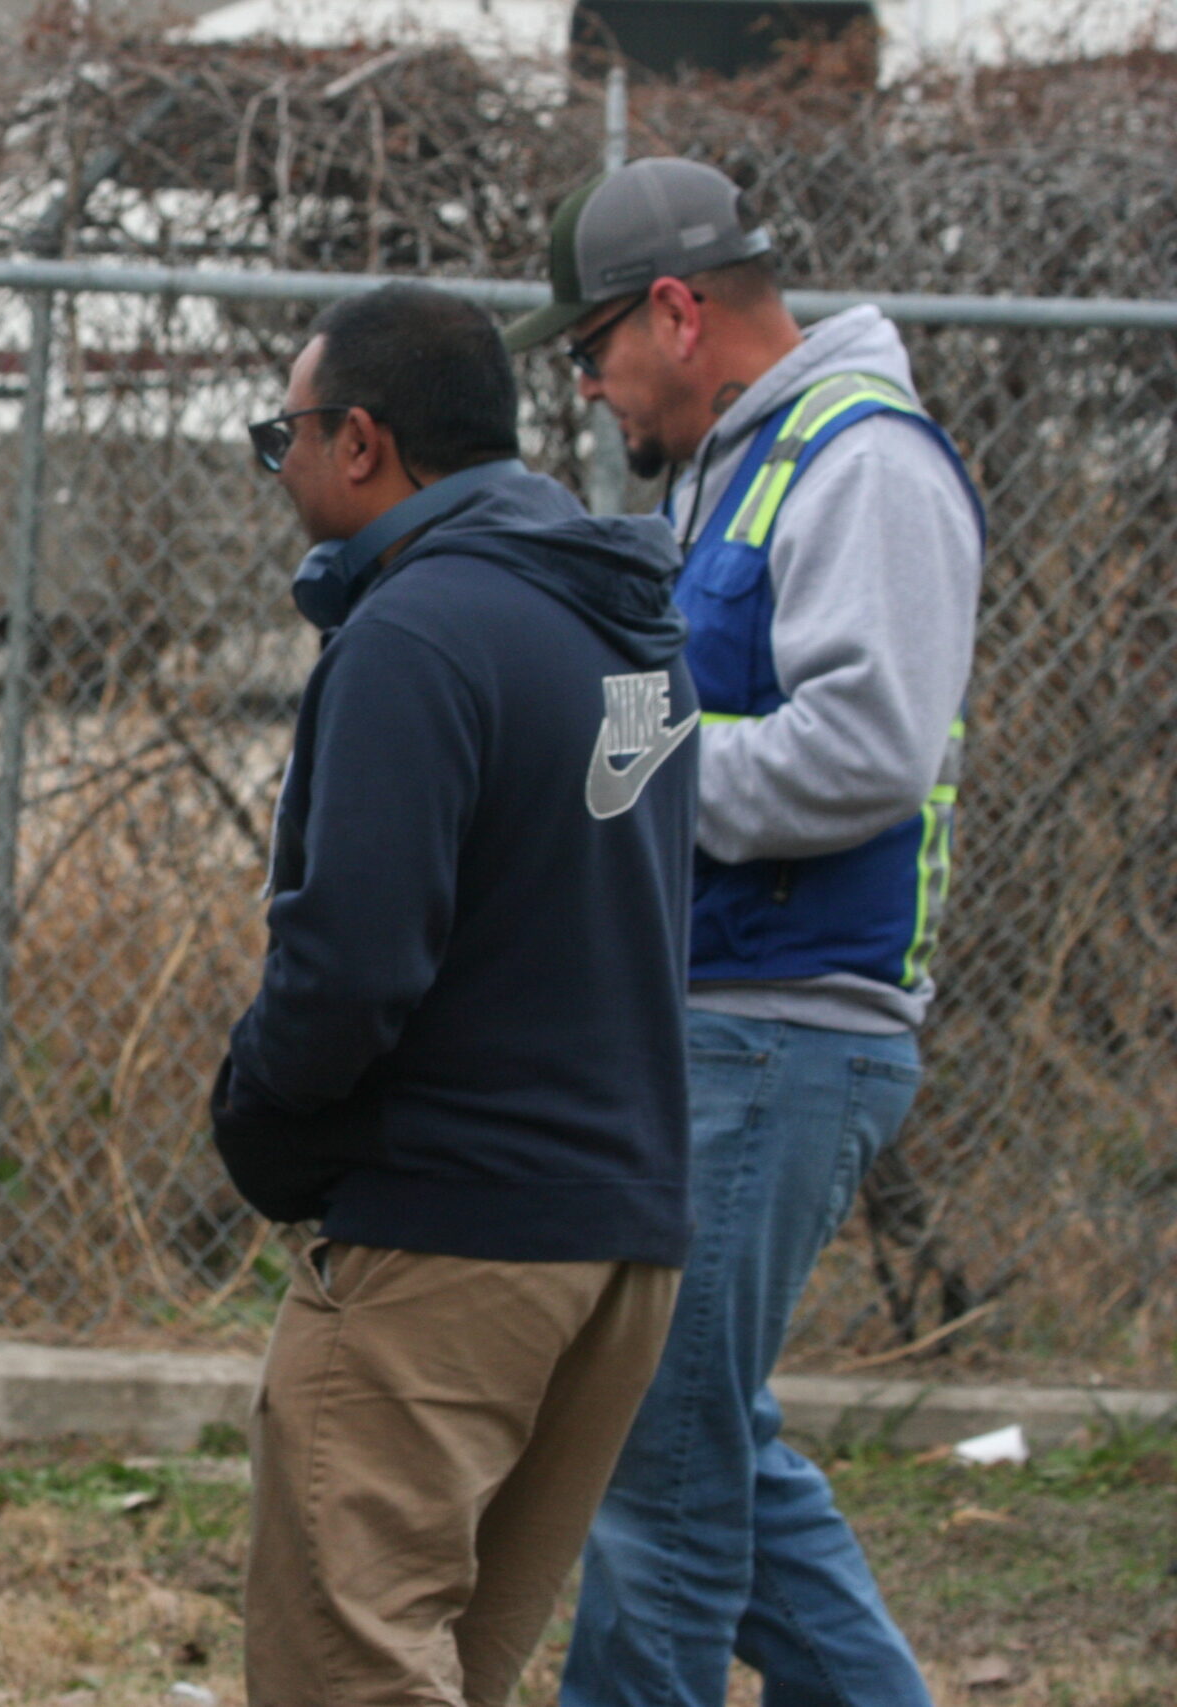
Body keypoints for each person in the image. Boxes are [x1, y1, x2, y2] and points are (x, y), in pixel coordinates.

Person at [505, 158, 986, 1707]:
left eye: (594, 351)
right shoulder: (738, 464)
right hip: (724, 1024)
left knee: (654, 1467)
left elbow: (869, 748)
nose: (590, 388)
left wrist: (640, 792)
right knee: (702, 1443)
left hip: (788, 1034)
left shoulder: (865, 465)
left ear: (676, 310)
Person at [212, 281, 699, 1707]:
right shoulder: (615, 617)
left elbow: (351, 964)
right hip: (619, 1237)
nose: (279, 459)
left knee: (348, 1668)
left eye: (284, 431)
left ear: (361, 442)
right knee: (453, 1668)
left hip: (454, 1234)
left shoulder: (420, 634)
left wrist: (258, 1112)